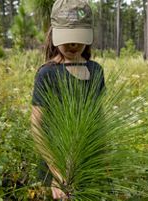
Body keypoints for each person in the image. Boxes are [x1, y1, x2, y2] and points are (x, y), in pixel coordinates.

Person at [31, 0, 105, 199]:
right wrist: (57, 171)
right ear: (54, 35)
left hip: (88, 161)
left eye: (78, 37)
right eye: (67, 38)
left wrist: (103, 158)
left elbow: (99, 118)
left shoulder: (95, 70)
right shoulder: (47, 73)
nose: (73, 44)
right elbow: (37, 126)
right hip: (53, 162)